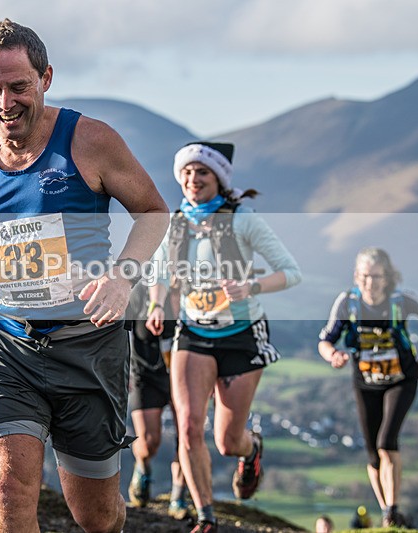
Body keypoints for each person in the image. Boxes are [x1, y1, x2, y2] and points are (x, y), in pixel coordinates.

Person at [0, 19, 169, 533]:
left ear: (46, 78)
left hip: (88, 347)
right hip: (5, 346)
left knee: (96, 517)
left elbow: (153, 212)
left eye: (19, 86)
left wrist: (122, 276)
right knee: (8, 488)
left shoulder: (90, 141)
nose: (6, 102)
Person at [148, 141, 301, 533]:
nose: (192, 179)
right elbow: (159, 272)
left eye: (202, 172)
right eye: (186, 172)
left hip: (241, 335)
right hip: (193, 334)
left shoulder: (243, 219)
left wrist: (251, 287)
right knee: (187, 427)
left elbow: (291, 271)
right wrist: (155, 305)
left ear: (218, 179)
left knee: (228, 442)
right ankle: (206, 516)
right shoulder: (176, 222)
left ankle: (251, 452)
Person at [318, 248, 418, 529]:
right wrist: (332, 356)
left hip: (402, 379)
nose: (369, 283)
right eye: (363, 276)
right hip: (366, 384)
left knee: (387, 442)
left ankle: (391, 512)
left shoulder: (402, 301)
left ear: (387, 278)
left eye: (375, 277)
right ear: (355, 276)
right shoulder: (348, 303)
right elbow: (326, 340)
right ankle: (387, 508)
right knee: (374, 454)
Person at [126, 284, 189, 520]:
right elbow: (119, 331)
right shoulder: (140, 293)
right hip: (145, 374)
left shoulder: (193, 294)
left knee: (187, 436)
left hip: (185, 375)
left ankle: (178, 497)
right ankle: (141, 467)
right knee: (149, 442)